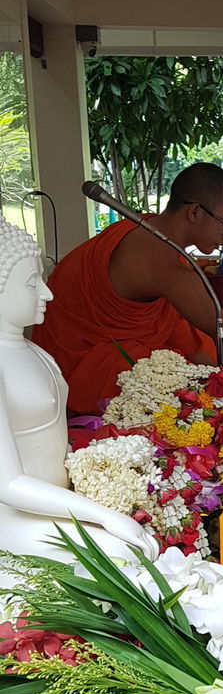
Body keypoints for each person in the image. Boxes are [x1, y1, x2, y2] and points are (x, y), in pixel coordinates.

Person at [34, 163, 223, 417]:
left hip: (111, 335)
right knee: (187, 397)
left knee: (203, 355)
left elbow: (175, 324)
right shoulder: (160, 259)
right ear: (194, 212)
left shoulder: (151, 227)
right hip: (82, 358)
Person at [0, 217, 157, 566]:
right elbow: (7, 484)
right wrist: (103, 515)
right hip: (15, 514)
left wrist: (105, 474)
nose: (48, 292)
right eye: (31, 282)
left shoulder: (35, 352)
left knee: (145, 528)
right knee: (126, 554)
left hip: (61, 496)